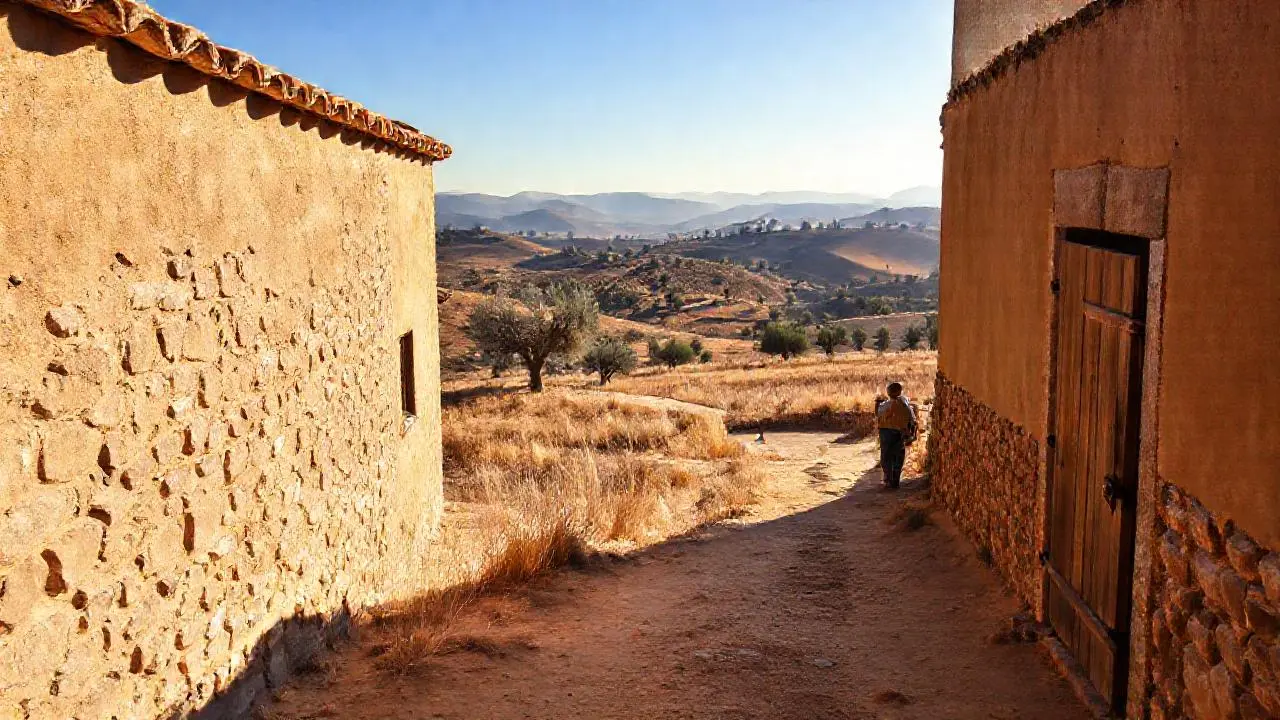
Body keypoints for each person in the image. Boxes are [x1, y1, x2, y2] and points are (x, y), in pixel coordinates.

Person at [876, 382, 916, 489]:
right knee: (898, 456)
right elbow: (911, 418)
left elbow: (879, 416)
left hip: (885, 432)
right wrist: (910, 432)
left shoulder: (884, 405)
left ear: (888, 392)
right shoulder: (904, 404)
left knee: (886, 456)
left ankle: (888, 479)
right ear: (900, 391)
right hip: (900, 433)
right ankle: (895, 480)